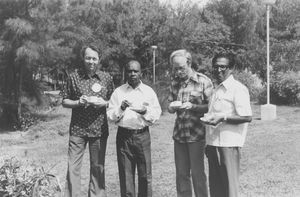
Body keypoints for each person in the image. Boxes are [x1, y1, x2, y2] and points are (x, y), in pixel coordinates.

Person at [60, 44, 114, 197]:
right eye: (88, 58)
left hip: (99, 129)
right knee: (73, 167)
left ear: (99, 60)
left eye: (94, 58)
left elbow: (113, 101)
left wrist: (103, 103)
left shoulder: (106, 78)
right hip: (78, 130)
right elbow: (64, 101)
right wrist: (78, 102)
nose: (91, 61)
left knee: (98, 167)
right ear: (83, 58)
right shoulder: (74, 77)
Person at [107, 60, 161, 197]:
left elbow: (156, 115)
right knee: (126, 176)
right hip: (124, 136)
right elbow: (111, 116)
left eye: (135, 71)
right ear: (126, 73)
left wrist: (144, 112)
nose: (132, 74)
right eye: (130, 71)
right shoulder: (118, 92)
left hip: (142, 136)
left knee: (145, 175)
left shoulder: (148, 92)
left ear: (141, 73)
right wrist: (121, 108)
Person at [202, 52, 252, 197]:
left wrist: (223, 118)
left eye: (223, 67)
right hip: (213, 145)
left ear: (231, 68)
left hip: (229, 145)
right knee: (216, 190)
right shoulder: (216, 90)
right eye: (216, 67)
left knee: (230, 189)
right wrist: (208, 143)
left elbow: (247, 116)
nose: (218, 70)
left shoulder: (238, 88)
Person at [167, 49, 213, 197]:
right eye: (175, 68)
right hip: (179, 135)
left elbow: (211, 108)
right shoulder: (174, 83)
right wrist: (172, 107)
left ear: (189, 63)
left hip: (197, 135)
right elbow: (169, 106)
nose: (178, 71)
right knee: (181, 175)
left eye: (181, 68)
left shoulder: (203, 81)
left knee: (198, 175)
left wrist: (194, 107)